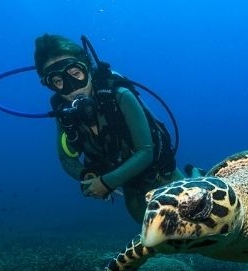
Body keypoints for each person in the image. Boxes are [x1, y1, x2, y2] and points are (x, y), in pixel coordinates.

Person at [34, 33, 190, 222]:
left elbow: (146, 151)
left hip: (163, 175)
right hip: (132, 189)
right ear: (50, 85)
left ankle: (197, 174)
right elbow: (66, 157)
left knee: (198, 216)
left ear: (88, 68)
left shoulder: (120, 96)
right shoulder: (64, 114)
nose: (72, 88)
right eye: (58, 81)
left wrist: (107, 182)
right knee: (151, 229)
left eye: (76, 74)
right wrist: (86, 175)